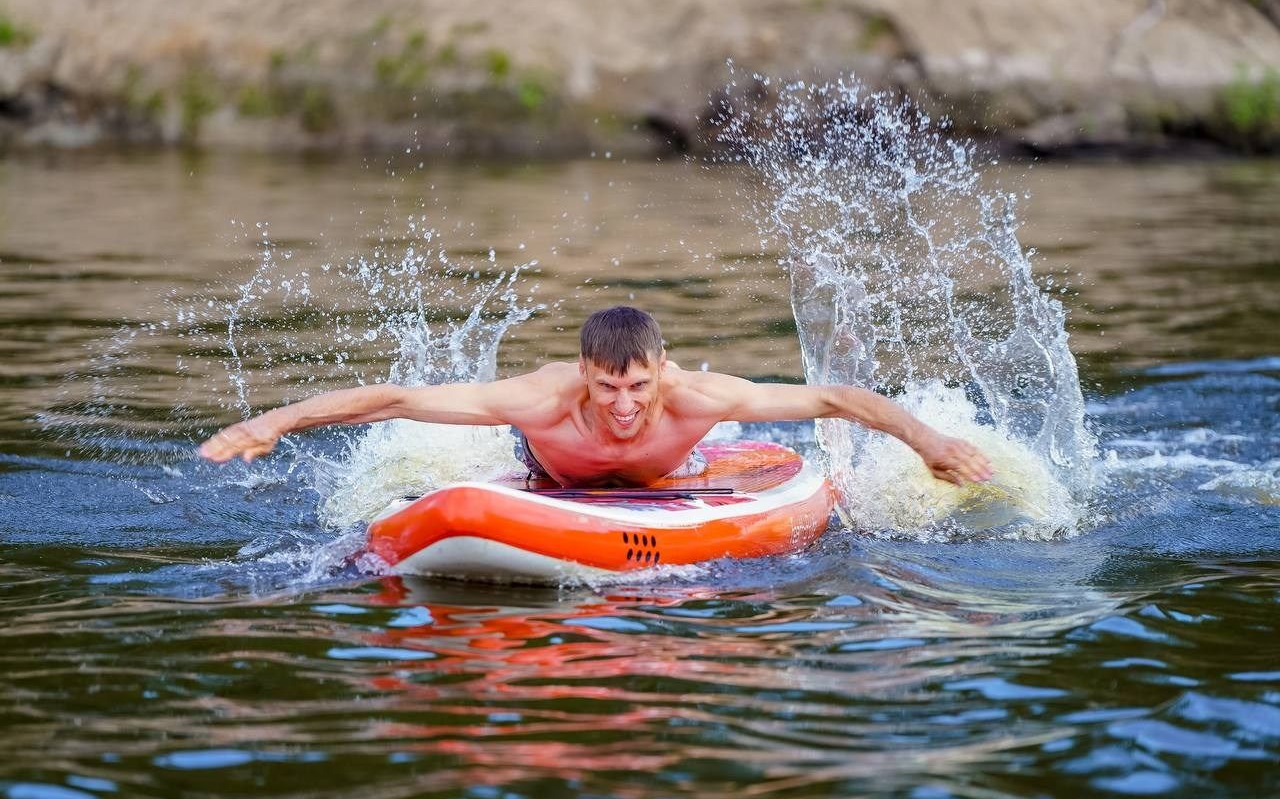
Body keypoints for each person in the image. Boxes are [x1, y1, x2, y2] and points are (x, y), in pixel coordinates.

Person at [200, 306, 993, 487]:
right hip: (549, 472)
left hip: (670, 473)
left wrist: (927, 442)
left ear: (662, 371)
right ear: (583, 373)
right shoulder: (540, 401)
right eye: (608, 384)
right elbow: (395, 400)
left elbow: (834, 400)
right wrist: (279, 419)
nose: (622, 402)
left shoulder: (696, 397)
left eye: (638, 385)